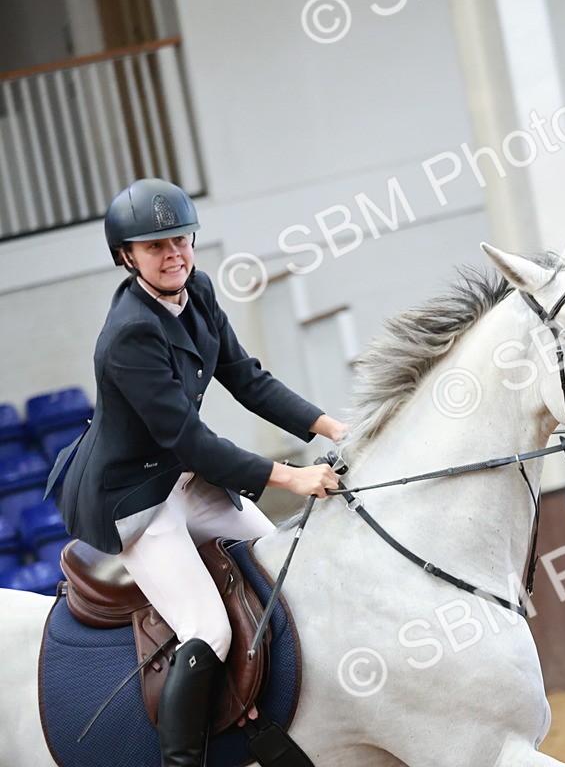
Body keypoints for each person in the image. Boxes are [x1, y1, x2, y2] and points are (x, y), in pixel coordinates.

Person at [46, 178, 346, 767]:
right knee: (209, 629)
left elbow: (248, 379)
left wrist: (335, 428)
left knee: (281, 563)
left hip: (182, 476)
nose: (174, 254)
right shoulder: (129, 334)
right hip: (135, 498)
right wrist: (292, 477)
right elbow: (192, 439)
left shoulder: (199, 291)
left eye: (180, 239)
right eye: (155, 247)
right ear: (127, 256)